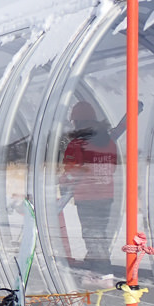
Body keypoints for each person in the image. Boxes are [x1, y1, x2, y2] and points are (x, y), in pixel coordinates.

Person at [61, 101, 119, 272]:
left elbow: (72, 170)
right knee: (99, 230)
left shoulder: (78, 144)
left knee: (91, 232)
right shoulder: (108, 141)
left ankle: (101, 268)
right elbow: (114, 166)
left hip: (87, 196)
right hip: (106, 194)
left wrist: (62, 180)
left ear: (77, 122)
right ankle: (94, 259)